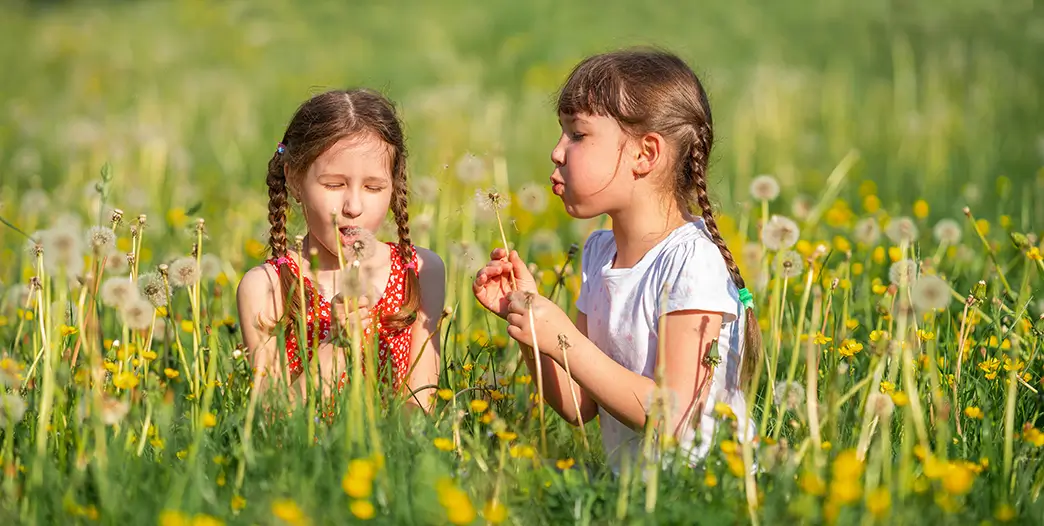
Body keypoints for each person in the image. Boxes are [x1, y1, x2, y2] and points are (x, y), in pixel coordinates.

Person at [473, 49, 760, 469]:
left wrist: (560, 337)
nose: (556, 152)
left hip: (706, 492)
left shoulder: (691, 261)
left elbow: (675, 416)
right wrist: (529, 322)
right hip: (630, 495)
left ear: (645, 155)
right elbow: (578, 406)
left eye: (577, 134)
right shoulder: (599, 252)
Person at [237, 88, 445, 414]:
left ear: (394, 184)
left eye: (374, 187)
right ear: (293, 180)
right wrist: (337, 347)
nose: (354, 206)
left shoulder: (420, 271)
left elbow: (419, 415)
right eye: (334, 185)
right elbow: (271, 423)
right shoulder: (267, 287)